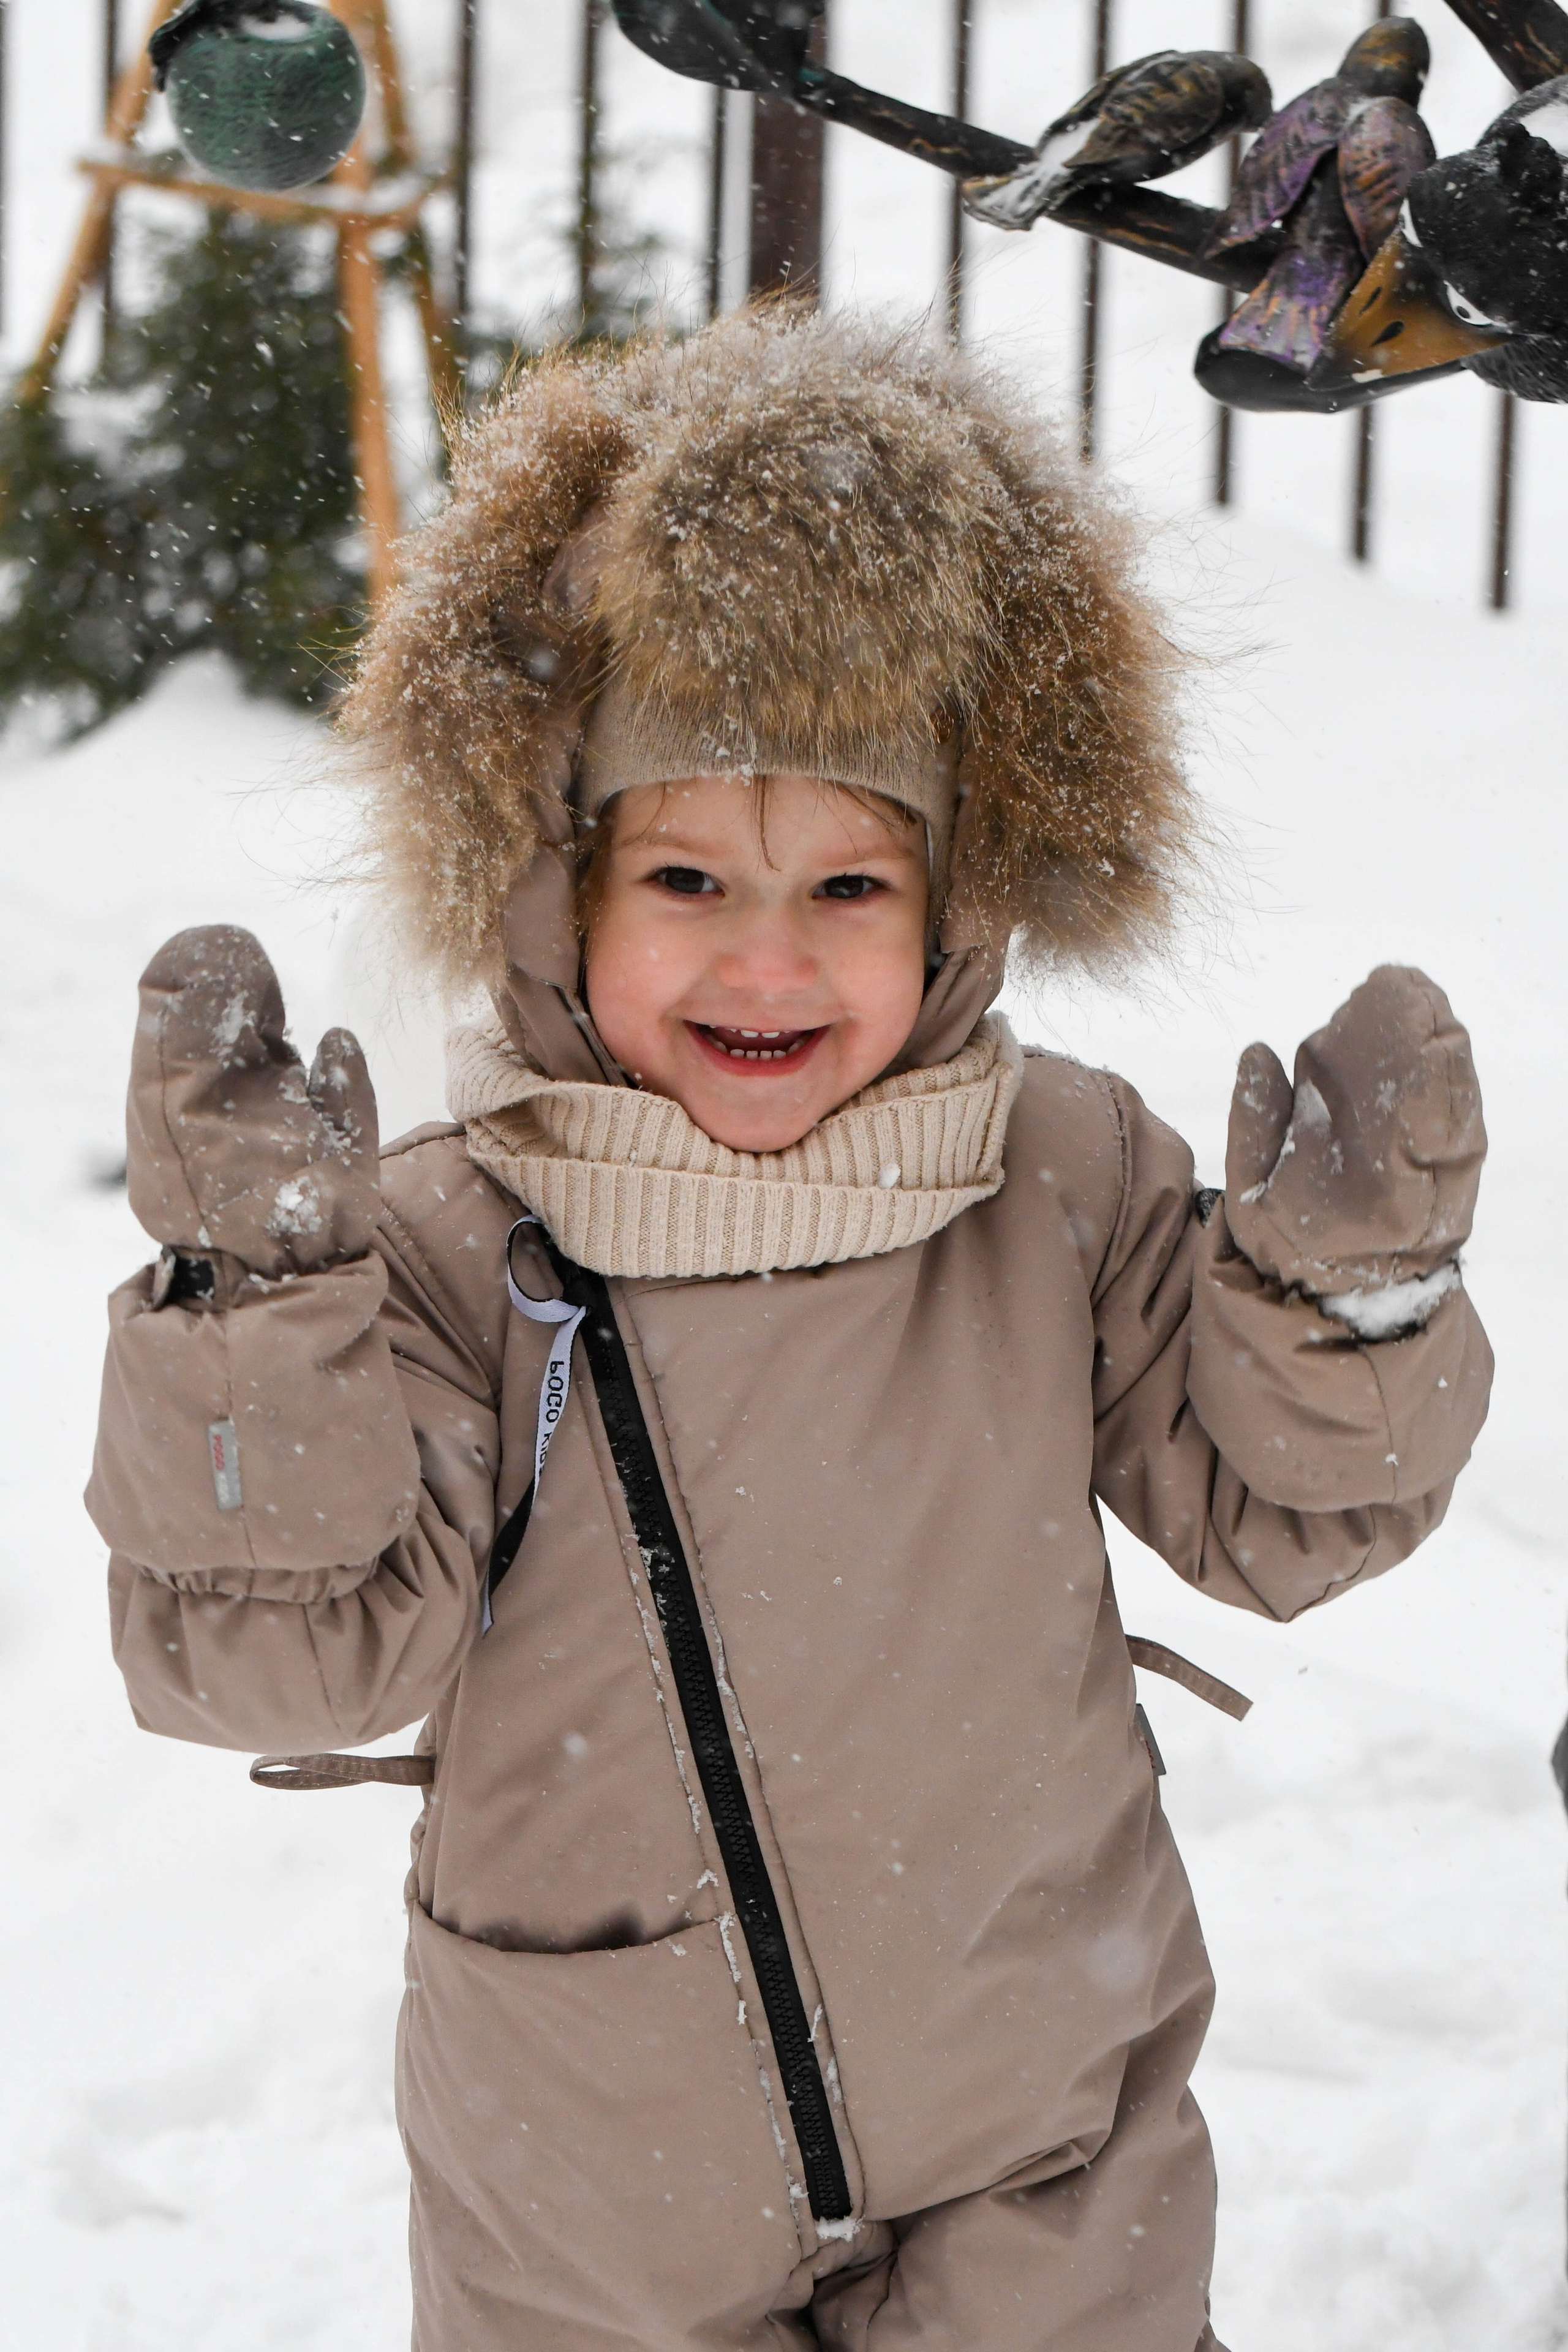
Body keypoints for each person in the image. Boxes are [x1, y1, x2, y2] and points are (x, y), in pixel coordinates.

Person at [88, 311, 1491, 2352]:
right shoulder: (451, 1236)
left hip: (1046, 2149)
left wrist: (1338, 1308)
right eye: (681, 875)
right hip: (596, 2187)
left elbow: (1287, 1521)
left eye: (850, 878)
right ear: (555, 891)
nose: (770, 953)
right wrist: (250, 1318)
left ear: (958, 905)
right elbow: (280, 1655)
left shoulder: (1060, 1173)